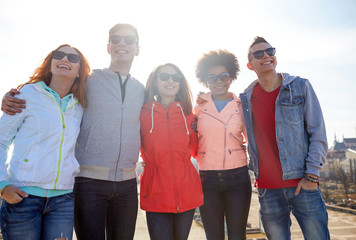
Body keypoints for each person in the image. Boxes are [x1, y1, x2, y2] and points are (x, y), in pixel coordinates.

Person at [1, 23, 145, 240]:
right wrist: (10, 98)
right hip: (86, 182)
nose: (121, 43)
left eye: (128, 39)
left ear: (137, 48)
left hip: (121, 184)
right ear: (108, 47)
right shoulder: (90, 81)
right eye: (116, 39)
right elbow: (52, 88)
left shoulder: (141, 89)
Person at [239, 36, 330, 240]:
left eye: (270, 51)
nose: (266, 56)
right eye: (258, 54)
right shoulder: (245, 99)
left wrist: (311, 176)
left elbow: (318, 133)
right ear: (250, 64)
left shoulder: (300, 86)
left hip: (303, 185)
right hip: (268, 191)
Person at [0, 44, 90, 240]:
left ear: (79, 72)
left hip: (63, 200)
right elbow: (1, 141)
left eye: (72, 58)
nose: (65, 59)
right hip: (22, 198)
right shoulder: (26, 96)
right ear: (50, 64)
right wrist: (2, 184)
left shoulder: (81, 105)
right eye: (59, 55)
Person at [140, 63, 203, 240]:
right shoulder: (143, 113)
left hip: (187, 192)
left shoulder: (189, 113)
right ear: (155, 81)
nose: (170, 81)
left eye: (175, 78)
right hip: (155, 194)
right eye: (164, 76)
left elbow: (196, 151)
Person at [194, 50, 251, 239]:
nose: (218, 81)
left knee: (237, 236)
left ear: (231, 77)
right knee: (213, 236)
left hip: (238, 178)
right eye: (212, 77)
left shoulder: (242, 106)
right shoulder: (198, 107)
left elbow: (252, 141)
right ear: (205, 80)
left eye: (223, 76)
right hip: (207, 179)